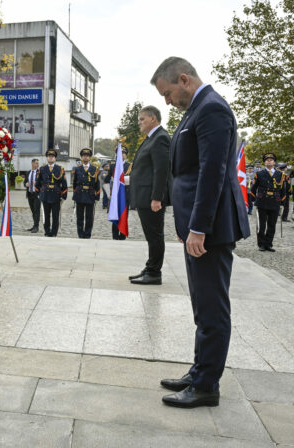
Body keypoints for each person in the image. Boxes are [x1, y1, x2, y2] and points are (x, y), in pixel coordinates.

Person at [151, 57, 250, 408]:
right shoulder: (196, 110)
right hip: (200, 228)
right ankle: (200, 370)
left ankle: (207, 385)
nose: (167, 101)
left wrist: (197, 228)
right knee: (202, 307)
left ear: (183, 79)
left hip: (212, 229)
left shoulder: (212, 110)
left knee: (212, 308)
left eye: (167, 93)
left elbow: (211, 173)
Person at [127, 105, 172, 284]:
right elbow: (145, 168)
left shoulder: (160, 137)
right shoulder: (150, 138)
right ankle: (150, 267)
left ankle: (154, 273)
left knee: (155, 235)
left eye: (142, 119)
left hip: (151, 197)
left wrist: (156, 198)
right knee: (150, 235)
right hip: (144, 194)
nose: (139, 123)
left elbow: (161, 171)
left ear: (153, 118)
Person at [250, 153, 287, 251]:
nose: (269, 161)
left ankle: (269, 244)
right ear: (264, 162)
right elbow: (254, 188)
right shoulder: (259, 174)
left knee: (272, 224)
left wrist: (283, 202)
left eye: (271, 160)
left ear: (274, 162)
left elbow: (283, 189)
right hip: (262, 201)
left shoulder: (280, 174)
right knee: (261, 224)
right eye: (267, 160)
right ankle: (261, 244)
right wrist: (253, 199)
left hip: (275, 201)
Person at [35, 148, 67, 237]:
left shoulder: (60, 169)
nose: (51, 158)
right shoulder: (42, 169)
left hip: (56, 195)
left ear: (55, 158)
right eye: (49, 156)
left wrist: (64, 195)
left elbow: (64, 184)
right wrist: (38, 194)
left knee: (55, 216)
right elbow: (37, 183)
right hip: (45, 195)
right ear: (47, 158)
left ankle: (54, 232)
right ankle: (47, 232)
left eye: (52, 156)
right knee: (46, 215)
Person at [71, 148, 100, 239]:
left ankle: (87, 234)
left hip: (90, 195)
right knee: (79, 217)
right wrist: (75, 194)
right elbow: (75, 183)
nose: (85, 157)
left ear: (90, 158)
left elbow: (97, 184)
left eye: (87, 156)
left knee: (89, 217)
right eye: (84, 156)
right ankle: (80, 234)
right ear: (81, 157)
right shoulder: (77, 169)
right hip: (80, 195)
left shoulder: (94, 169)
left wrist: (97, 196)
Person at [104, 147, 131, 240]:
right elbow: (106, 180)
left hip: (125, 195)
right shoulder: (112, 166)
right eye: (120, 153)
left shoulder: (130, 166)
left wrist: (124, 180)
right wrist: (108, 194)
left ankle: (122, 235)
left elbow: (134, 179)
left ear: (126, 155)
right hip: (115, 196)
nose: (122, 155)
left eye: (124, 153)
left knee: (124, 216)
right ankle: (115, 236)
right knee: (115, 215)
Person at [23, 158, 41, 233]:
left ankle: (36, 227)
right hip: (30, 194)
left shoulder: (40, 172)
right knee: (33, 211)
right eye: (36, 163)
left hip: (37, 194)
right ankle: (34, 225)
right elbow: (25, 182)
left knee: (37, 211)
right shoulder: (28, 172)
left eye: (38, 163)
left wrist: (36, 183)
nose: (38, 164)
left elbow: (43, 182)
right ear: (32, 164)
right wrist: (25, 184)